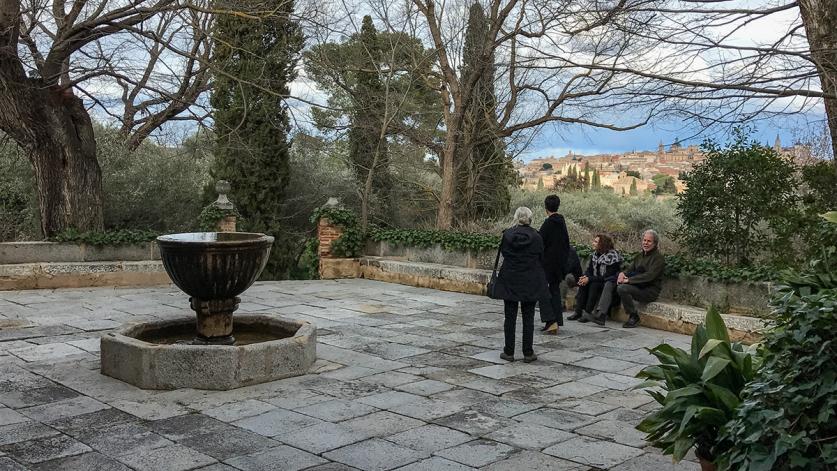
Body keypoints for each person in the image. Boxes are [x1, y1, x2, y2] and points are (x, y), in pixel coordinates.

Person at [492, 207, 549, 362]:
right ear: (530, 219)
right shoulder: (536, 237)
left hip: (510, 279)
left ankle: (509, 351)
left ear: (516, 218)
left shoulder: (507, 235)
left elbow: (504, 253)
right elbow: (541, 257)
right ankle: (528, 352)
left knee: (509, 317)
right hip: (530, 280)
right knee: (528, 318)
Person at [568, 234, 622, 326]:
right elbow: (589, 270)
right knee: (583, 283)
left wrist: (589, 279)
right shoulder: (595, 255)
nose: (593, 243)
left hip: (607, 282)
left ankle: (587, 313)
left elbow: (607, 276)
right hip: (596, 279)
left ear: (603, 244)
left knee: (594, 284)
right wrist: (585, 277)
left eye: (596, 242)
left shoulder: (612, 256)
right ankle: (578, 311)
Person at [617, 229, 666, 328]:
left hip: (650, 291)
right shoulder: (639, 256)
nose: (646, 243)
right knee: (617, 285)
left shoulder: (658, 258)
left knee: (622, 288)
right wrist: (622, 274)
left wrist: (629, 280)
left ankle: (633, 316)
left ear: (655, 243)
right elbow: (630, 269)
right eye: (644, 240)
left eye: (649, 241)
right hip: (638, 287)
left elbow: (650, 276)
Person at [538, 194, 571, 334]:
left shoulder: (548, 223)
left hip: (547, 265)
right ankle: (556, 321)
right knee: (555, 292)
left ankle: (550, 320)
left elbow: (539, 242)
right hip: (559, 265)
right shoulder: (562, 222)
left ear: (546, 208)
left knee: (542, 291)